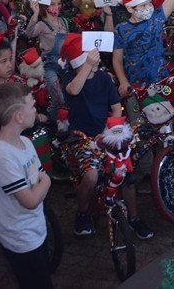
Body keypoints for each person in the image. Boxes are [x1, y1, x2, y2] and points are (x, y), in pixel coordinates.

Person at [59, 34, 153, 239]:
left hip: (104, 135)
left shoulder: (103, 78)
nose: (96, 58)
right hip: (80, 138)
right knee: (91, 176)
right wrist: (86, 66)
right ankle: (81, 214)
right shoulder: (69, 78)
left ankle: (134, 218)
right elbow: (74, 89)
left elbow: (115, 108)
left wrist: (112, 130)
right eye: (89, 55)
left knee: (125, 172)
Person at [0, 83, 53, 289]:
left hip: (34, 229)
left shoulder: (26, 142)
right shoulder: (2, 157)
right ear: (19, 117)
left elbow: (36, 180)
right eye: (32, 106)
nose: (36, 110)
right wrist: (47, 180)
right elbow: (30, 200)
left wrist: (41, 183)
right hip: (20, 238)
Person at [26, 0, 72, 123]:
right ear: (45, 6)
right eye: (52, 4)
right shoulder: (42, 25)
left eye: (58, 4)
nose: (56, 7)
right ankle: (51, 123)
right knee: (58, 97)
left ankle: (62, 123)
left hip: (65, 63)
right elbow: (29, 34)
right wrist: (35, 14)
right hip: (50, 66)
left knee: (69, 95)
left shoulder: (64, 21)